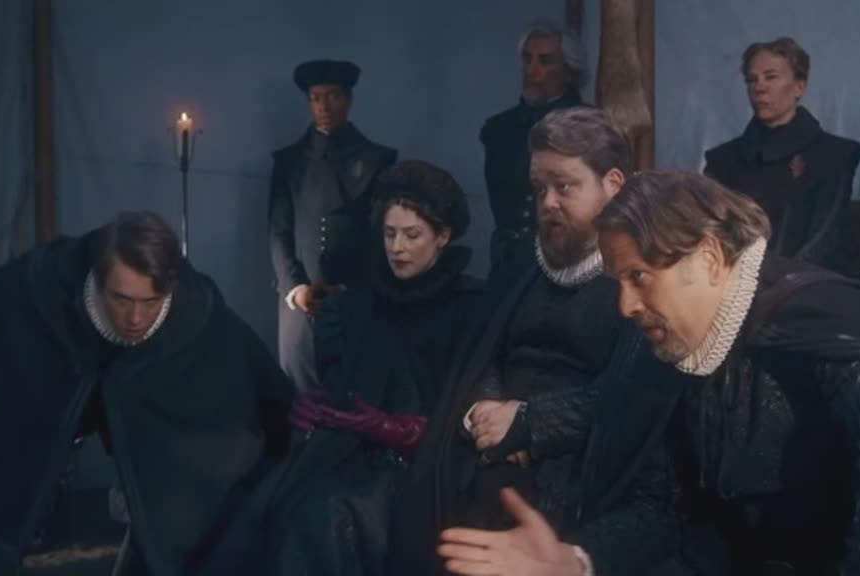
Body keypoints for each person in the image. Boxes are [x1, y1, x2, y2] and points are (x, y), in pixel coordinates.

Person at [438, 171, 860, 575]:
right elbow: (664, 509)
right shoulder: (670, 346)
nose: (624, 305)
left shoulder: (820, 320)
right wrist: (575, 561)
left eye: (639, 277)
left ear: (708, 259)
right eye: (618, 282)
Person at [0, 211, 291, 576]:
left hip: (154, 410)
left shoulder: (196, 312)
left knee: (184, 521)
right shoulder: (40, 286)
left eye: (150, 302)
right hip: (53, 381)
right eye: (121, 299)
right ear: (96, 279)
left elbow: (257, 380)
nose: (135, 318)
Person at [387, 106, 671, 575]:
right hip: (487, 446)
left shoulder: (640, 278)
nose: (548, 202)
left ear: (613, 185)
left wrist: (531, 424)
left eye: (565, 186)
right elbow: (484, 356)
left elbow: (636, 395)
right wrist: (485, 409)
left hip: (579, 464)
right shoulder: (519, 262)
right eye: (540, 189)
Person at [200, 161, 486, 575]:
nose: (397, 247)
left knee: (327, 516)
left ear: (442, 237)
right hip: (347, 452)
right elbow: (340, 386)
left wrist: (398, 429)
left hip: (427, 465)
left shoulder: (471, 307)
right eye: (389, 233)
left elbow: (469, 406)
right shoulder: (356, 306)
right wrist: (325, 408)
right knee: (264, 510)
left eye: (412, 235)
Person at [269, 58, 398, 391]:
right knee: (298, 389)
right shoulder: (289, 161)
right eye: (315, 98)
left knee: (353, 390)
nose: (323, 107)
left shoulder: (377, 160)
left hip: (355, 295)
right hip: (299, 298)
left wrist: (355, 289)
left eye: (333, 97)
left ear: (349, 100)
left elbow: (380, 235)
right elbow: (279, 231)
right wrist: (296, 288)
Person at [703, 37, 860, 271]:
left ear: (799, 87)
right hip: (733, 282)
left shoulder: (834, 155)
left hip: (808, 284)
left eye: (771, 77)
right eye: (751, 80)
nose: (759, 88)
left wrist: (781, 281)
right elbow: (712, 235)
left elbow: (824, 239)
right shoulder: (723, 161)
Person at [482, 19, 590, 281]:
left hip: (566, 260)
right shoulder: (498, 130)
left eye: (545, 61)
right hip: (507, 262)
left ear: (569, 71)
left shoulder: (589, 128)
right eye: (527, 59)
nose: (532, 70)